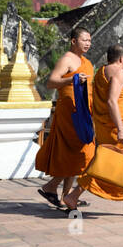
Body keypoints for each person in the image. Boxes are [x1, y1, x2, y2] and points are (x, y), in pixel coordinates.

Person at [62, 44, 123, 216]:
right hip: (117, 128)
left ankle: (74, 197)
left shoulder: (101, 72)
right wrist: (121, 130)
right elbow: (111, 101)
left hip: (104, 127)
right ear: (121, 59)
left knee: (105, 164)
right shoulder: (119, 73)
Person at [33, 26, 95, 208]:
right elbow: (51, 82)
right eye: (84, 40)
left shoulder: (86, 62)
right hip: (69, 114)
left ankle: (65, 196)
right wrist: (71, 79)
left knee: (77, 154)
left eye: (89, 40)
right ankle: (53, 187)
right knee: (79, 154)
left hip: (82, 113)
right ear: (74, 41)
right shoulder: (67, 59)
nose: (88, 44)